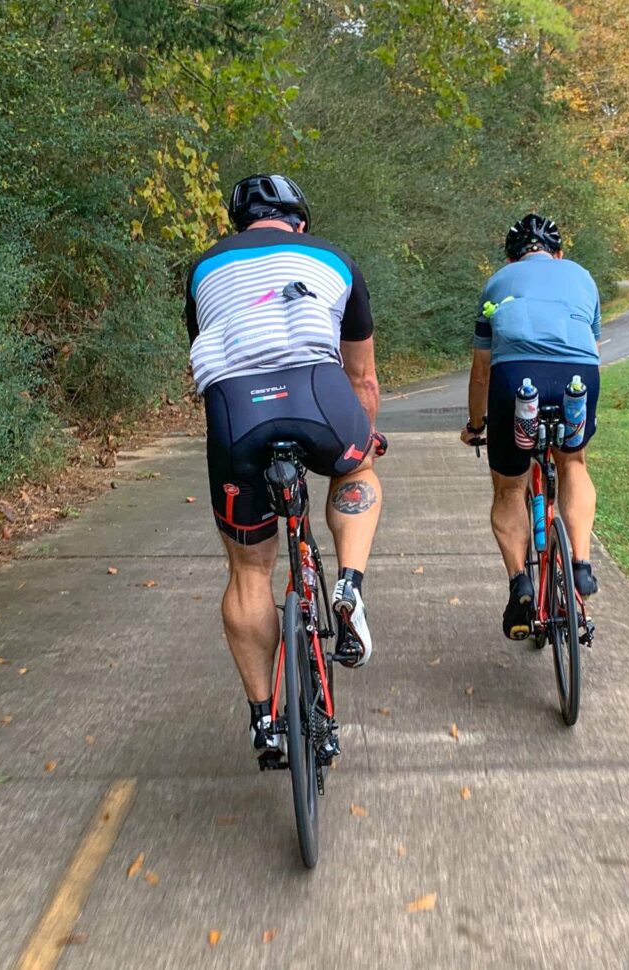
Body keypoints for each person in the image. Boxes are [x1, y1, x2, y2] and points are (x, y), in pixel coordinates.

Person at [185, 174, 383, 765]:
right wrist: (364, 439)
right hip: (319, 397)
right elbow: (363, 378)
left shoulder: (203, 269)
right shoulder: (334, 259)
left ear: (239, 224)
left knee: (249, 573)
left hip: (237, 415)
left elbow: (209, 355)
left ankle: (265, 720)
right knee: (356, 473)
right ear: (299, 221)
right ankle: (348, 585)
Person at [460, 213, 601, 640]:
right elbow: (591, 347)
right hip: (577, 374)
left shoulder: (498, 282)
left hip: (515, 378)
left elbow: (481, 372)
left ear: (510, 259)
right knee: (573, 463)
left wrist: (475, 424)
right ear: (559, 254)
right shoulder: (582, 277)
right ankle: (581, 564)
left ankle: (519, 582)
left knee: (509, 487)